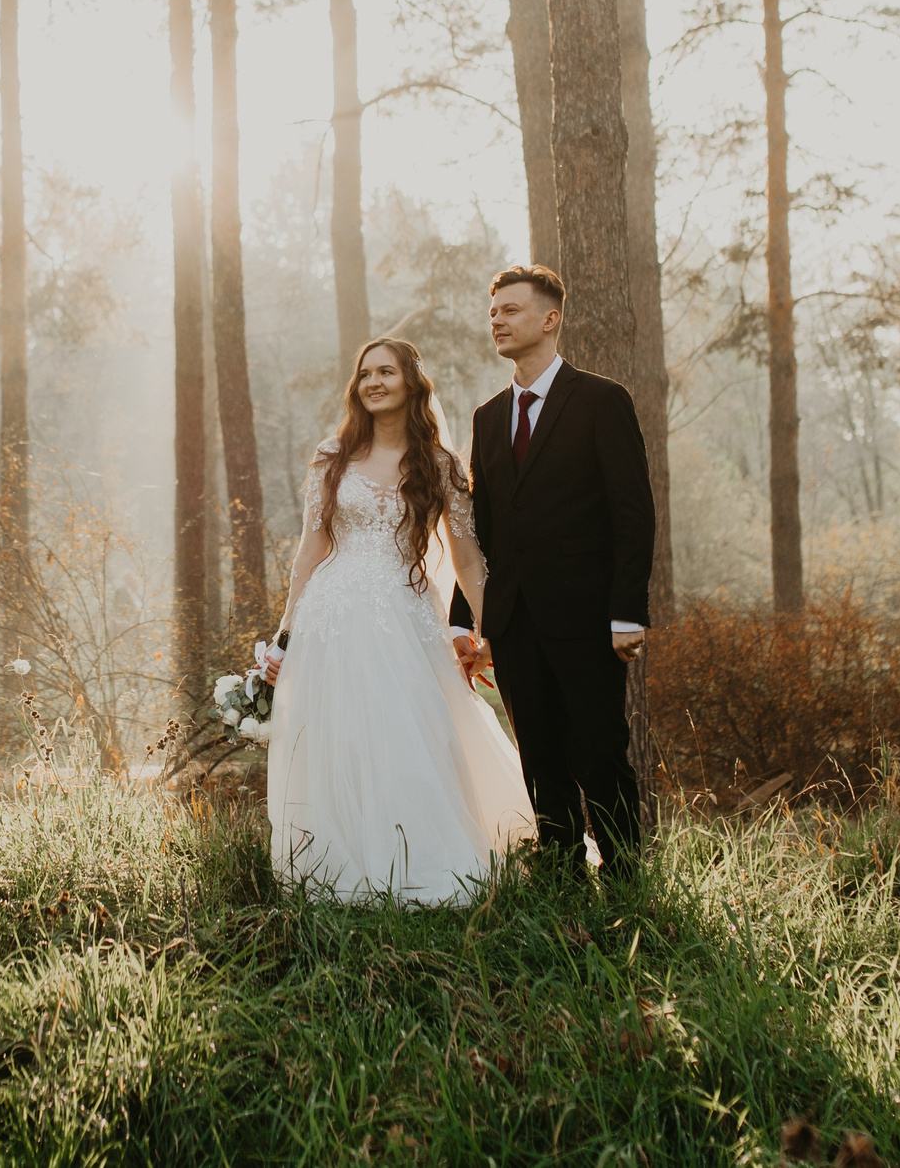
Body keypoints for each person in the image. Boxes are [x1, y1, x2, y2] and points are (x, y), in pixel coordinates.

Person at [259, 337, 534, 903]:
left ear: (412, 381)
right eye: (365, 374)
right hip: (330, 618)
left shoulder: (440, 465)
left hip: (406, 616)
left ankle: (423, 863)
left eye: (386, 372)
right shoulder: (332, 455)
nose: (374, 382)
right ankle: (339, 870)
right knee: (338, 738)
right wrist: (285, 636)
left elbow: (467, 559)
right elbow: (311, 547)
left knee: (414, 734)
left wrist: (492, 634)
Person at [449, 264, 657, 874]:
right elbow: (478, 529)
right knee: (537, 753)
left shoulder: (600, 400)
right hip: (513, 620)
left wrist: (627, 612)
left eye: (511, 311)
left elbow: (633, 513)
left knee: (599, 751)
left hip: (590, 617)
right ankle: (561, 872)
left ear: (550, 319)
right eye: (493, 313)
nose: (498, 321)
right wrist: (468, 619)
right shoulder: (488, 417)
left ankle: (624, 876)